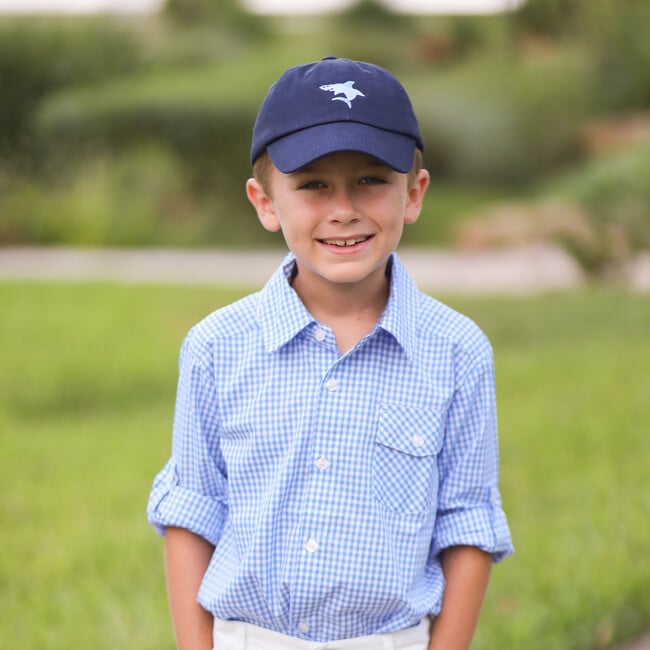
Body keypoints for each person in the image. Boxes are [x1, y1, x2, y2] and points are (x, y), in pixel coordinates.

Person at [147, 56, 513, 650]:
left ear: (413, 193)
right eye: (313, 185)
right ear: (266, 202)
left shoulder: (456, 352)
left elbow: (467, 524)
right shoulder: (216, 348)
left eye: (371, 180)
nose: (344, 208)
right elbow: (193, 512)